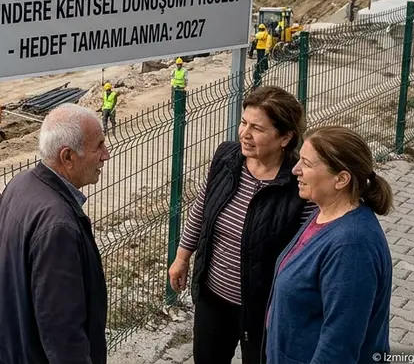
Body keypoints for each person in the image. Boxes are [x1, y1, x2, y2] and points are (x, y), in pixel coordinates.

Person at [168, 86, 313, 364]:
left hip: (263, 308)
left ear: (285, 137)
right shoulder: (226, 157)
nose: (244, 133)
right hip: (212, 297)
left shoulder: (299, 183)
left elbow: (304, 253)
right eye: (243, 122)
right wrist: (182, 256)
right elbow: (202, 207)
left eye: (257, 128)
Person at [0, 104, 111, 364]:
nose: (106, 155)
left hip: (8, 349)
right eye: (99, 146)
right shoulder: (58, 225)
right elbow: (62, 329)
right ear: (68, 157)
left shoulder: (21, 185)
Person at [266, 126, 393, 364]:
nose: (296, 170)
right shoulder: (323, 213)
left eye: (307, 163)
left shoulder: (352, 246)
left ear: (341, 179)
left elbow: (339, 346)